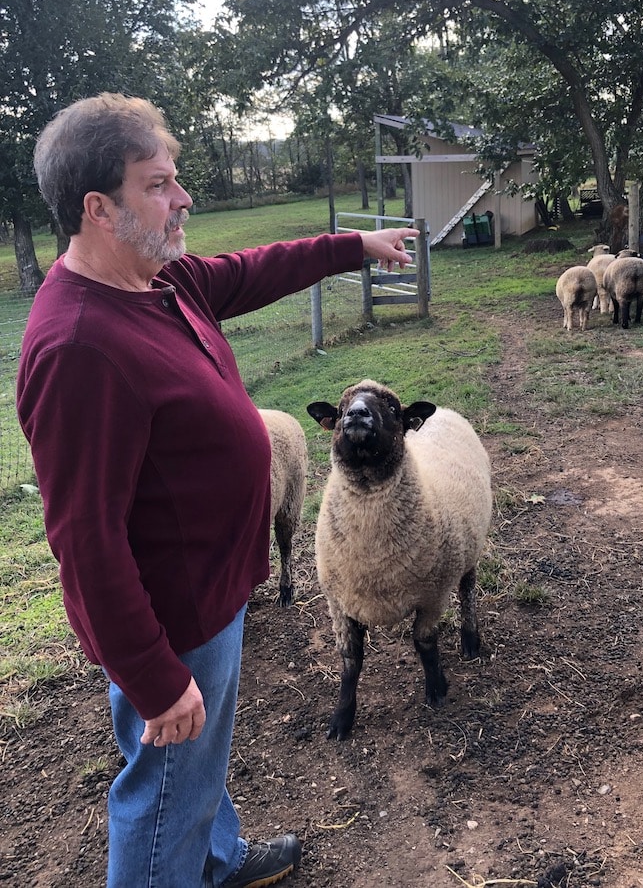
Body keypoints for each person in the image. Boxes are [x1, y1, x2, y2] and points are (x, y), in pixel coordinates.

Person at [16, 93, 419, 888]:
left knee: (195, 764)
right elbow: (86, 545)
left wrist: (354, 245)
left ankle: (218, 857)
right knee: (162, 783)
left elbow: (251, 269)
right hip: (172, 617)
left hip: (213, 586)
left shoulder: (158, 281)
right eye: (159, 183)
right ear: (100, 207)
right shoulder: (78, 348)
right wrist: (157, 678)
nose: (184, 197)